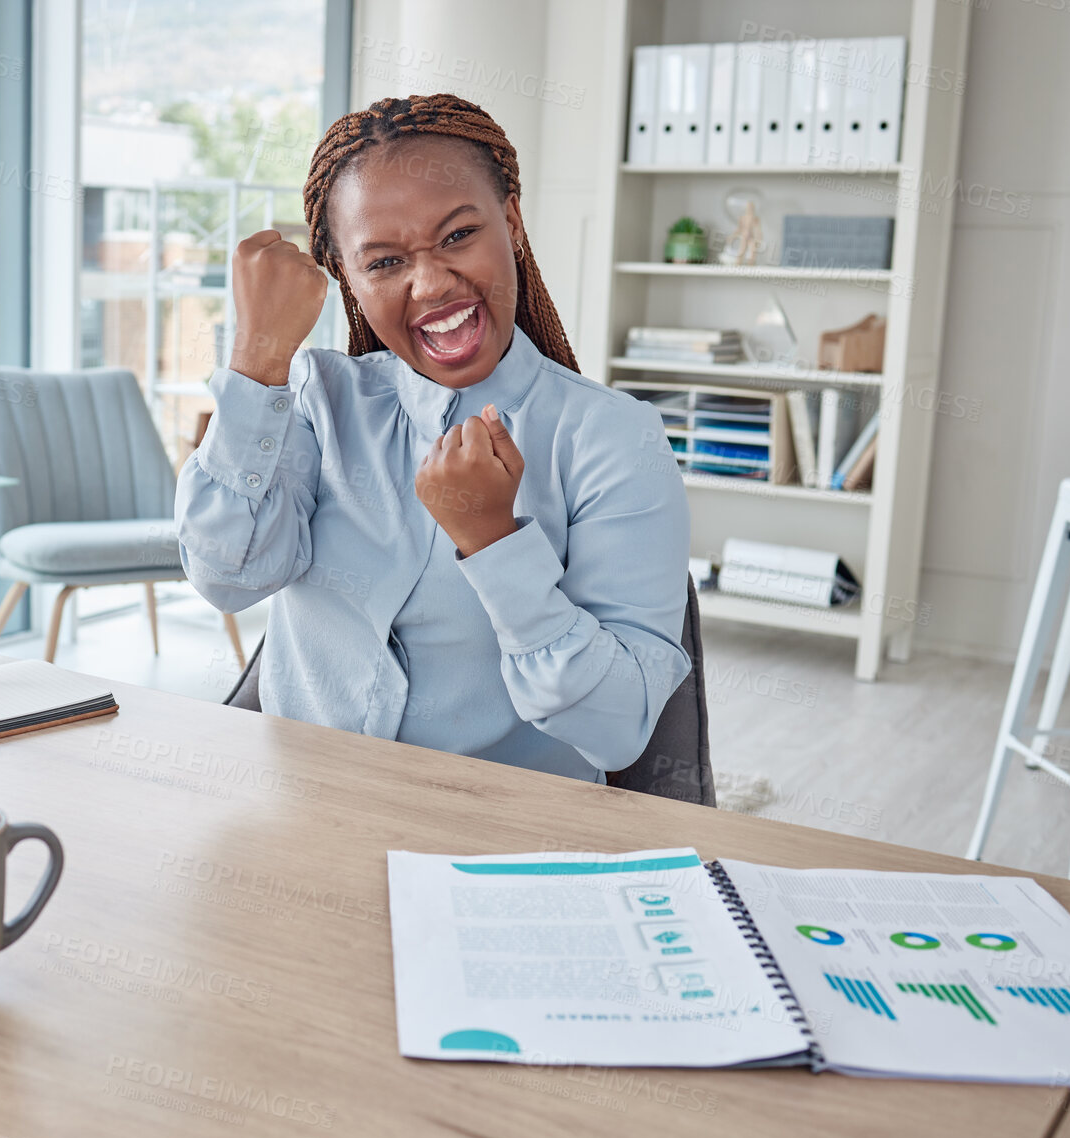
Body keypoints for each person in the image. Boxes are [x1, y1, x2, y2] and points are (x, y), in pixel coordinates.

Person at [175, 93, 690, 782]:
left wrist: (494, 542)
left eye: (456, 237)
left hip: (502, 842)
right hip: (306, 815)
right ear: (347, 281)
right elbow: (227, 578)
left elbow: (614, 728)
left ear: (509, 222)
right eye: (384, 263)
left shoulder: (612, 437)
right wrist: (256, 357)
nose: (431, 284)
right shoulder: (312, 401)